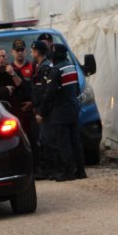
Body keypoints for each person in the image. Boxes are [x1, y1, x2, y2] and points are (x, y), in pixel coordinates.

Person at [40, 43, 86, 181]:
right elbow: (77, 88)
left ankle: (68, 171)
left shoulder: (56, 70)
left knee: (63, 142)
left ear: (56, 54)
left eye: (52, 51)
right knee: (75, 141)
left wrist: (42, 111)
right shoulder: (71, 67)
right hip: (73, 108)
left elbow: (50, 93)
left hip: (60, 112)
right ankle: (80, 170)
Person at [30, 40, 56, 178]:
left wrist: (40, 111)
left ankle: (50, 170)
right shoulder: (41, 65)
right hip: (42, 108)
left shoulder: (44, 67)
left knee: (47, 140)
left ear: (36, 52)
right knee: (44, 139)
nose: (31, 53)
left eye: (32, 50)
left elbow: (43, 91)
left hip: (44, 110)